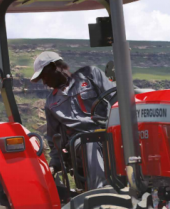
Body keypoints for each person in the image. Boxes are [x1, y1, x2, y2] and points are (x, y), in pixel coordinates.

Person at [30, 51, 114, 190]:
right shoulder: (51, 103)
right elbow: (53, 138)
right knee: (88, 141)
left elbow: (115, 99)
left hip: (108, 134)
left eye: (44, 76)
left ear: (54, 67)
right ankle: (100, 191)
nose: (44, 82)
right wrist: (54, 164)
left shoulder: (91, 75)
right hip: (81, 144)